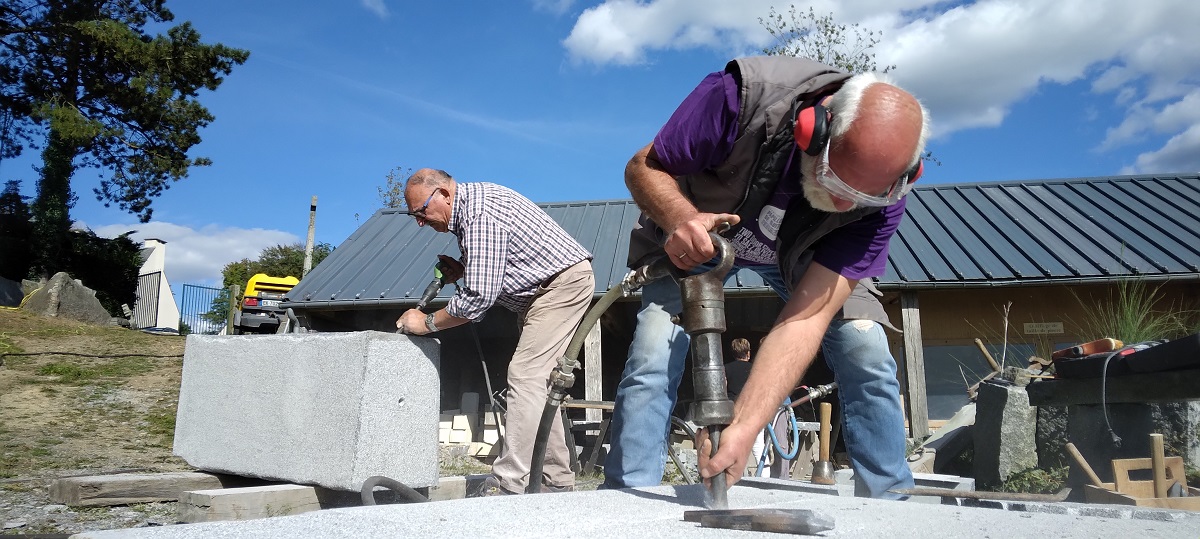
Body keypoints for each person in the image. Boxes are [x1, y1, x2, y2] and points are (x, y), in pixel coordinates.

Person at [602, 56, 928, 499]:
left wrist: (745, 426)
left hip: (800, 257)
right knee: (653, 348)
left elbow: (804, 322)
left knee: (865, 346)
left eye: (858, 197)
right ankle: (627, 498)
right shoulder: (742, 97)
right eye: (834, 180)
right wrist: (682, 218)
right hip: (698, 234)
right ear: (812, 130)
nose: (840, 202)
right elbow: (644, 166)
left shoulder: (885, 199)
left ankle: (890, 505)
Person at [395, 168, 595, 496]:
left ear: (444, 194)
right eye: (413, 215)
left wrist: (426, 322)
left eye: (421, 212)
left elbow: (477, 299)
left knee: (525, 376)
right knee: (540, 384)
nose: (420, 221)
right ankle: (555, 480)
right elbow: (496, 271)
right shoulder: (471, 213)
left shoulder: (479, 214)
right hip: (545, 291)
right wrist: (464, 269)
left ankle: (507, 484)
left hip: (559, 286)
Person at [722, 338, 766, 476]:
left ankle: (736, 475)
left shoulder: (726, 368)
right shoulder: (756, 368)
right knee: (759, 446)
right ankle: (764, 477)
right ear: (748, 353)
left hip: (733, 408)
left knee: (733, 443)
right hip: (752, 409)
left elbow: (723, 387)